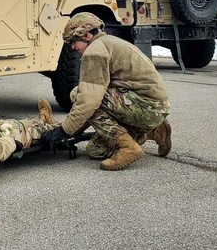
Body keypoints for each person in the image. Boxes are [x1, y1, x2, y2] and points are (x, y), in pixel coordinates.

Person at [41, 12, 171, 171]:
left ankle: (128, 148)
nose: (73, 47)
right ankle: (152, 130)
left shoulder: (95, 51)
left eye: (73, 41)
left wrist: (64, 130)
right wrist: (71, 130)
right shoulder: (108, 42)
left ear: (87, 35)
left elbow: (89, 102)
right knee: (95, 151)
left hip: (147, 106)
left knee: (79, 94)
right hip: (151, 107)